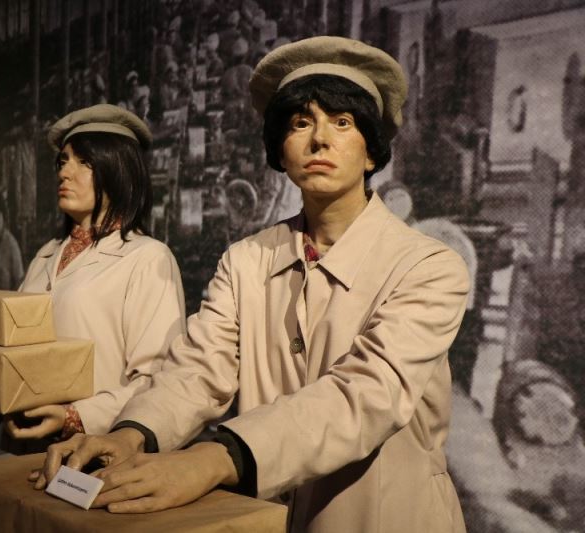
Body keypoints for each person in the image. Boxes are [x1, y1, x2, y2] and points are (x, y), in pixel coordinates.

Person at [37, 37, 470, 533]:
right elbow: (198, 368)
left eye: (342, 122)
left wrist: (214, 459)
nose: (319, 139)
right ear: (280, 150)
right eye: (300, 123)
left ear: (371, 153)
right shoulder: (246, 260)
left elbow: (366, 395)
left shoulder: (428, 266)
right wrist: (132, 433)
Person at [7, 104, 186, 440]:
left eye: (84, 161)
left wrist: (74, 417)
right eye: (63, 161)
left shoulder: (148, 258)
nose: (65, 172)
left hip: (98, 451)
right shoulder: (44, 256)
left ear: (117, 169)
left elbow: (158, 380)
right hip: (25, 446)